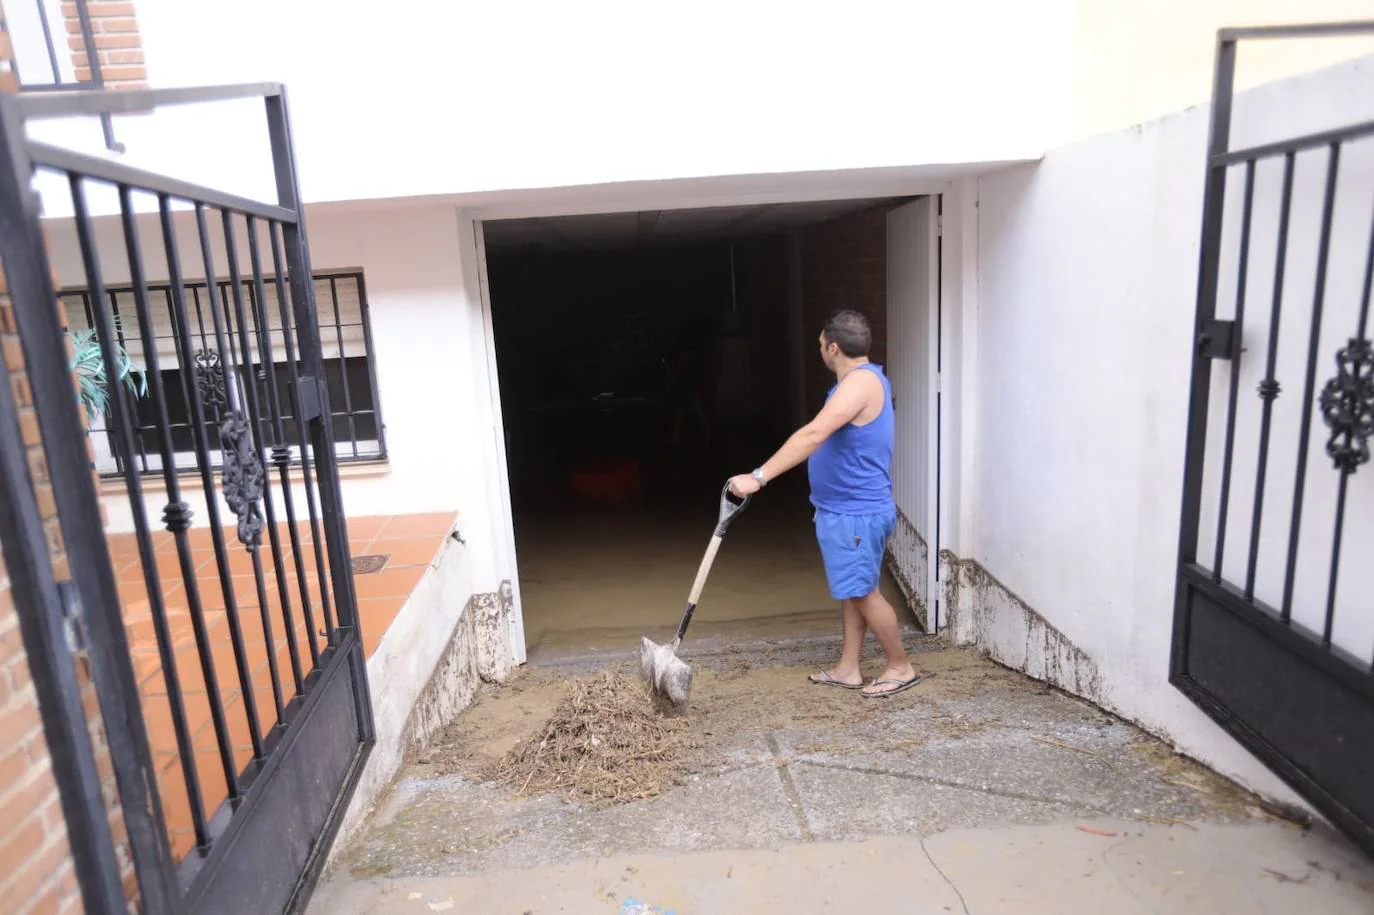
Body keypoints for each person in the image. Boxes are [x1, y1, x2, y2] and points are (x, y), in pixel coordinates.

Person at [727, 309, 919, 698]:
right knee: (855, 588)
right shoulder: (857, 381)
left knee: (864, 592)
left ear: (833, 347)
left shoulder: (858, 385)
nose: (819, 350)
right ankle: (848, 668)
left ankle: (901, 665)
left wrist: (758, 477)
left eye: (819, 345)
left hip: (856, 513)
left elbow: (814, 434)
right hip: (844, 510)